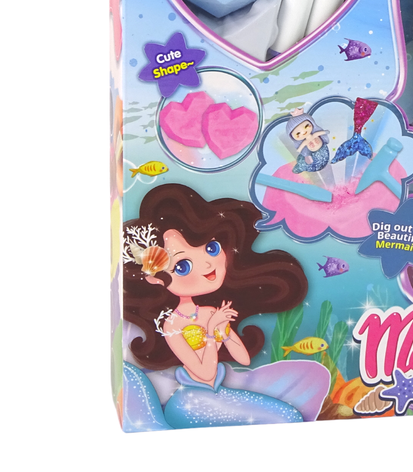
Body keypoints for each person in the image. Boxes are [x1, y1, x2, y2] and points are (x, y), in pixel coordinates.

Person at [122, 184, 329, 429]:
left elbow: (243, 358)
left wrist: (225, 332)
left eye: (212, 248)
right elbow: (205, 373)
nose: (208, 265)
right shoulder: (172, 324)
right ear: (157, 280)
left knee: (292, 415)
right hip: (190, 401)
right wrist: (211, 331)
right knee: (287, 419)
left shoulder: (211, 312)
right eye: (182, 266)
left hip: (216, 394)